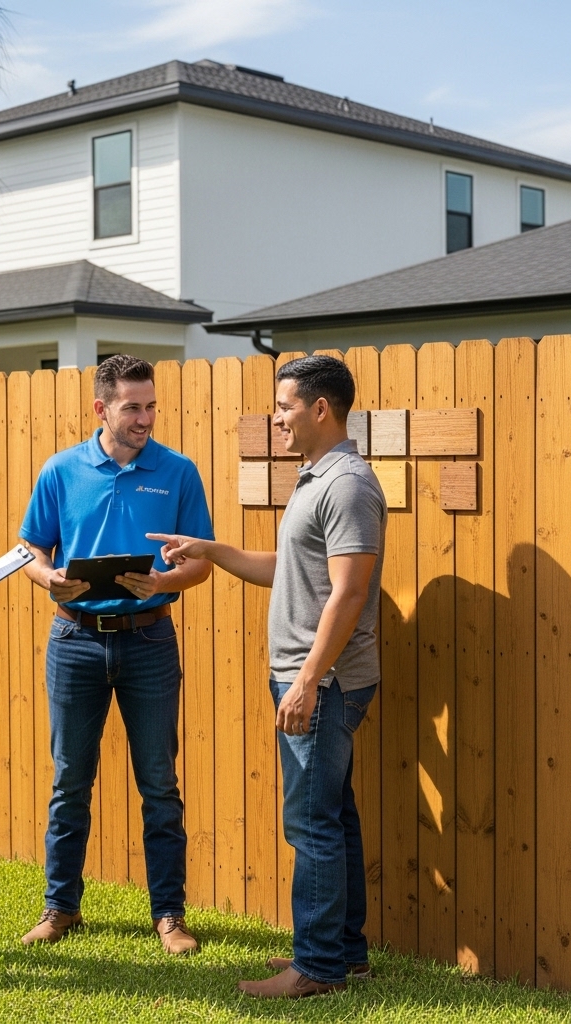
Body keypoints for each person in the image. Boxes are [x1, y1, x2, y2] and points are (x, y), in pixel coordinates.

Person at [148, 354, 386, 998]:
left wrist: (309, 678)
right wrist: (214, 551)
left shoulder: (347, 485)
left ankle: (316, 967)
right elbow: (294, 566)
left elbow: (350, 590)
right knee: (332, 813)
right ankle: (348, 953)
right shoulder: (318, 478)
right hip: (316, 675)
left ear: (319, 409)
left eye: (284, 406)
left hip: (324, 679)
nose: (276, 417)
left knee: (310, 821)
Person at [18, 354, 214, 954]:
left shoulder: (178, 472)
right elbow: (30, 548)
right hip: (73, 641)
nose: (146, 418)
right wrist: (47, 578)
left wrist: (162, 583)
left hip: (151, 641)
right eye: (133, 407)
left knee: (159, 782)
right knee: (70, 780)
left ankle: (170, 916)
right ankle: (60, 908)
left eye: (151, 406)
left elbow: (201, 562)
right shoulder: (60, 470)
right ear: (101, 408)